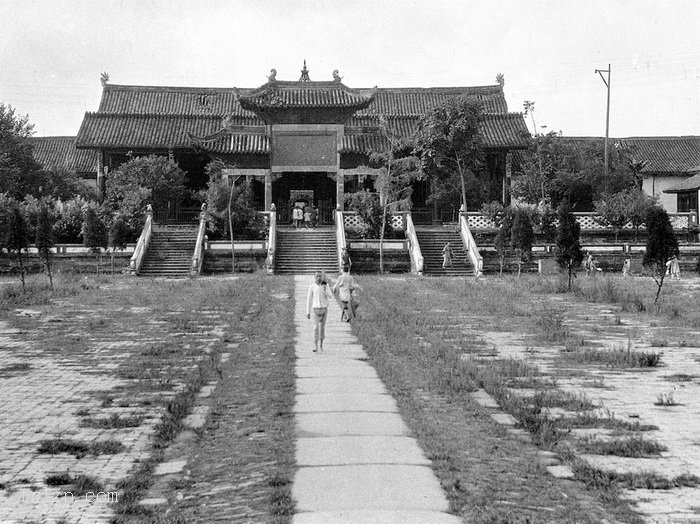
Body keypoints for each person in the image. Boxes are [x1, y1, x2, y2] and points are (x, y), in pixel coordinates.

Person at [306, 271, 334, 352]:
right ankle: (315, 346)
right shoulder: (312, 287)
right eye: (317, 276)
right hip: (315, 309)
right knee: (315, 328)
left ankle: (321, 344)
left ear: (322, 277)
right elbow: (309, 299)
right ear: (314, 277)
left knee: (322, 328)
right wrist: (308, 312)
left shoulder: (325, 286)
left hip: (324, 308)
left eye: (320, 276)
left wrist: (325, 290)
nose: (318, 278)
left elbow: (330, 296)